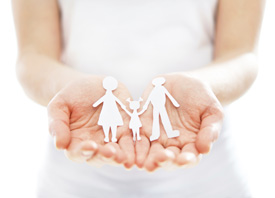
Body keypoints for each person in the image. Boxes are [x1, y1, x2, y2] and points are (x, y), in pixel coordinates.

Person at [12, 0, 265, 197]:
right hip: (73, 183)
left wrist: (201, 90)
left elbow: (240, 53)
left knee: (160, 123)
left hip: (208, 182)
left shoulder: (160, 93)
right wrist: (68, 90)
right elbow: (33, 55)